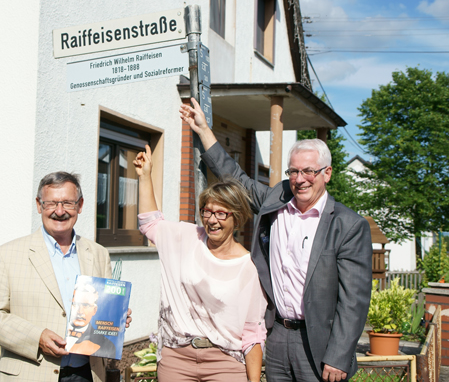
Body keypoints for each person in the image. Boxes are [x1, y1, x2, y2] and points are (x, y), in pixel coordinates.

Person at [180, 98, 372, 382]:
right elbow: (236, 179)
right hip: (278, 335)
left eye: (309, 171)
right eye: (293, 171)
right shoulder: (276, 200)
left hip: (319, 342)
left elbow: (353, 300)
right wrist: (205, 130)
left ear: (327, 174)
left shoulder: (348, 225)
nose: (300, 179)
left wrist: (339, 354)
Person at [0, 172, 130, 382]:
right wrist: (36, 337)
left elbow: (100, 314)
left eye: (67, 203)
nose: (60, 211)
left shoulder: (98, 253)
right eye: (51, 204)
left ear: (80, 205)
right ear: (39, 205)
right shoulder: (5, 255)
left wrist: (115, 316)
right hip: (31, 373)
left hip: (88, 374)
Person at [133, 145, 267, 382]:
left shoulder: (249, 267)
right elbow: (150, 223)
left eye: (221, 213)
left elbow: (252, 333)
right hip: (177, 358)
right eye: (207, 211)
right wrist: (145, 176)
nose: (212, 220)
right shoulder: (186, 238)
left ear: (236, 218)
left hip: (225, 362)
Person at [67, 283, 116, 358]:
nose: (80, 311)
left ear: (94, 310)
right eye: (75, 304)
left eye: (85, 305)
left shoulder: (106, 344)